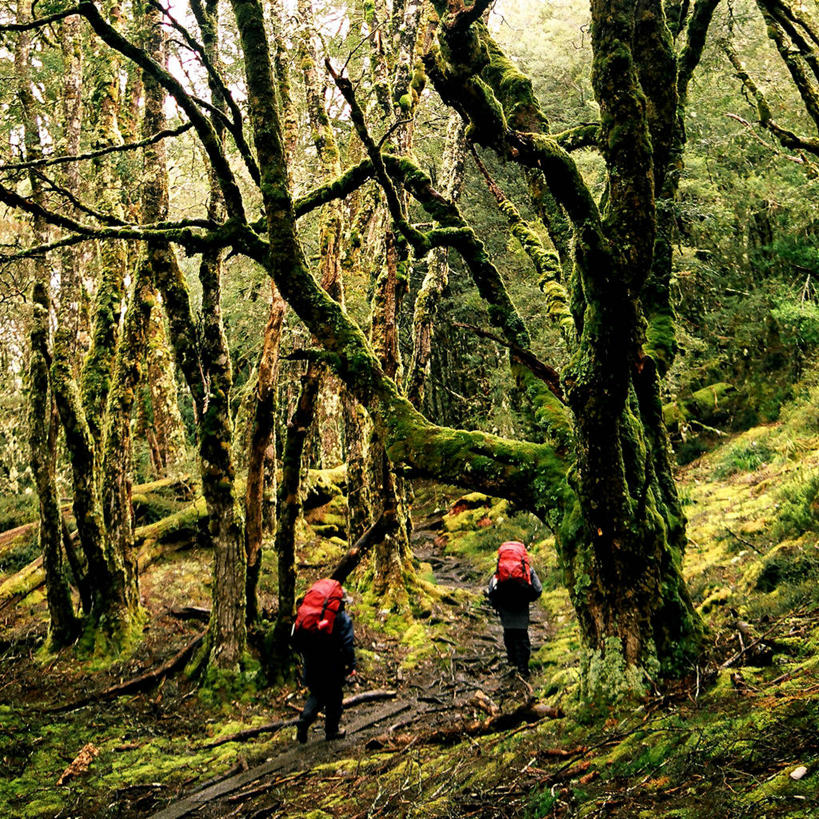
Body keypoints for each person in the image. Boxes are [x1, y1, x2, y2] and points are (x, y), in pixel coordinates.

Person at [294, 578, 356, 743]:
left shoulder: (316, 619)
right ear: (340, 603)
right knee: (335, 698)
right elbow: (348, 644)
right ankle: (332, 731)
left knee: (316, 694)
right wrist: (352, 666)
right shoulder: (342, 620)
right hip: (333, 666)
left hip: (312, 661)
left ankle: (305, 720)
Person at [486, 541, 542, 677]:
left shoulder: (500, 571)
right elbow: (538, 589)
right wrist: (528, 595)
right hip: (521, 605)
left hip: (505, 606)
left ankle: (512, 661)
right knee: (522, 636)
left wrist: (495, 602)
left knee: (508, 633)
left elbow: (491, 588)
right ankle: (523, 668)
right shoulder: (527, 571)